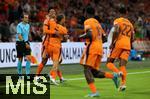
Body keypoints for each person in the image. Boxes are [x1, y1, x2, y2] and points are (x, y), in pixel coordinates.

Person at [79, 6, 119, 97]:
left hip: (92, 48)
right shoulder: (98, 23)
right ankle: (113, 76)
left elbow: (89, 34)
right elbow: (104, 38)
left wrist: (81, 37)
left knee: (86, 69)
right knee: (94, 72)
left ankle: (94, 92)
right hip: (99, 48)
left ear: (86, 13)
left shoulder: (87, 21)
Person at [106, 7, 134, 91]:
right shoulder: (130, 24)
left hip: (119, 43)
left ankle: (118, 73)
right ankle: (123, 84)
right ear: (126, 13)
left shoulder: (118, 20)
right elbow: (133, 37)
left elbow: (116, 30)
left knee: (109, 62)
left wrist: (112, 42)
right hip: (128, 45)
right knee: (122, 65)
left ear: (119, 13)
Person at [16, 13, 31, 78]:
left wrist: (27, 42)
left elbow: (26, 35)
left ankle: (27, 74)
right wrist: (25, 43)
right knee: (20, 59)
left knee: (29, 58)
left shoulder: (28, 25)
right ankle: (20, 74)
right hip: (20, 42)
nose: (27, 18)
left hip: (26, 42)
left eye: (27, 17)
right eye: (25, 17)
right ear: (22, 18)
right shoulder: (19, 25)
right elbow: (19, 36)